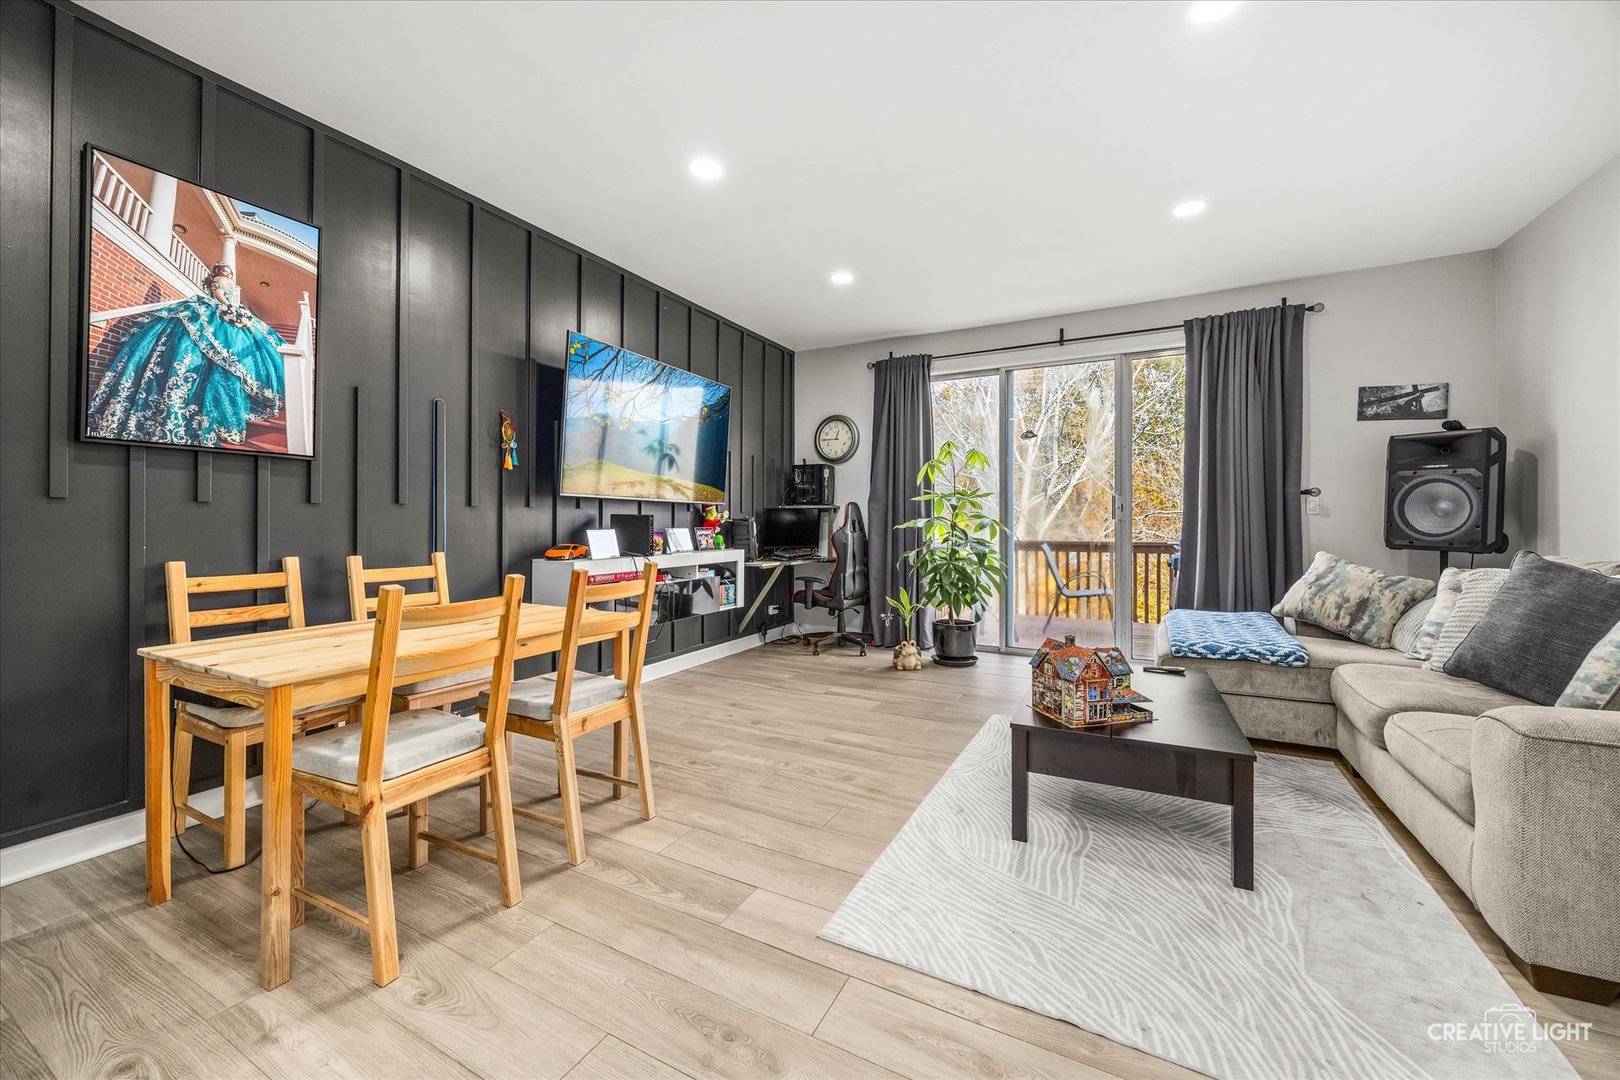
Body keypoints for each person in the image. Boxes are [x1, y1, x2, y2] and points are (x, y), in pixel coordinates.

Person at [86, 262, 287, 447]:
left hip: (223, 309)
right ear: (219, 272)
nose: (228, 273)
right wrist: (228, 307)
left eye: (228, 271)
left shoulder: (226, 282)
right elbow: (218, 294)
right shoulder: (219, 281)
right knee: (204, 348)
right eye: (225, 270)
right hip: (217, 308)